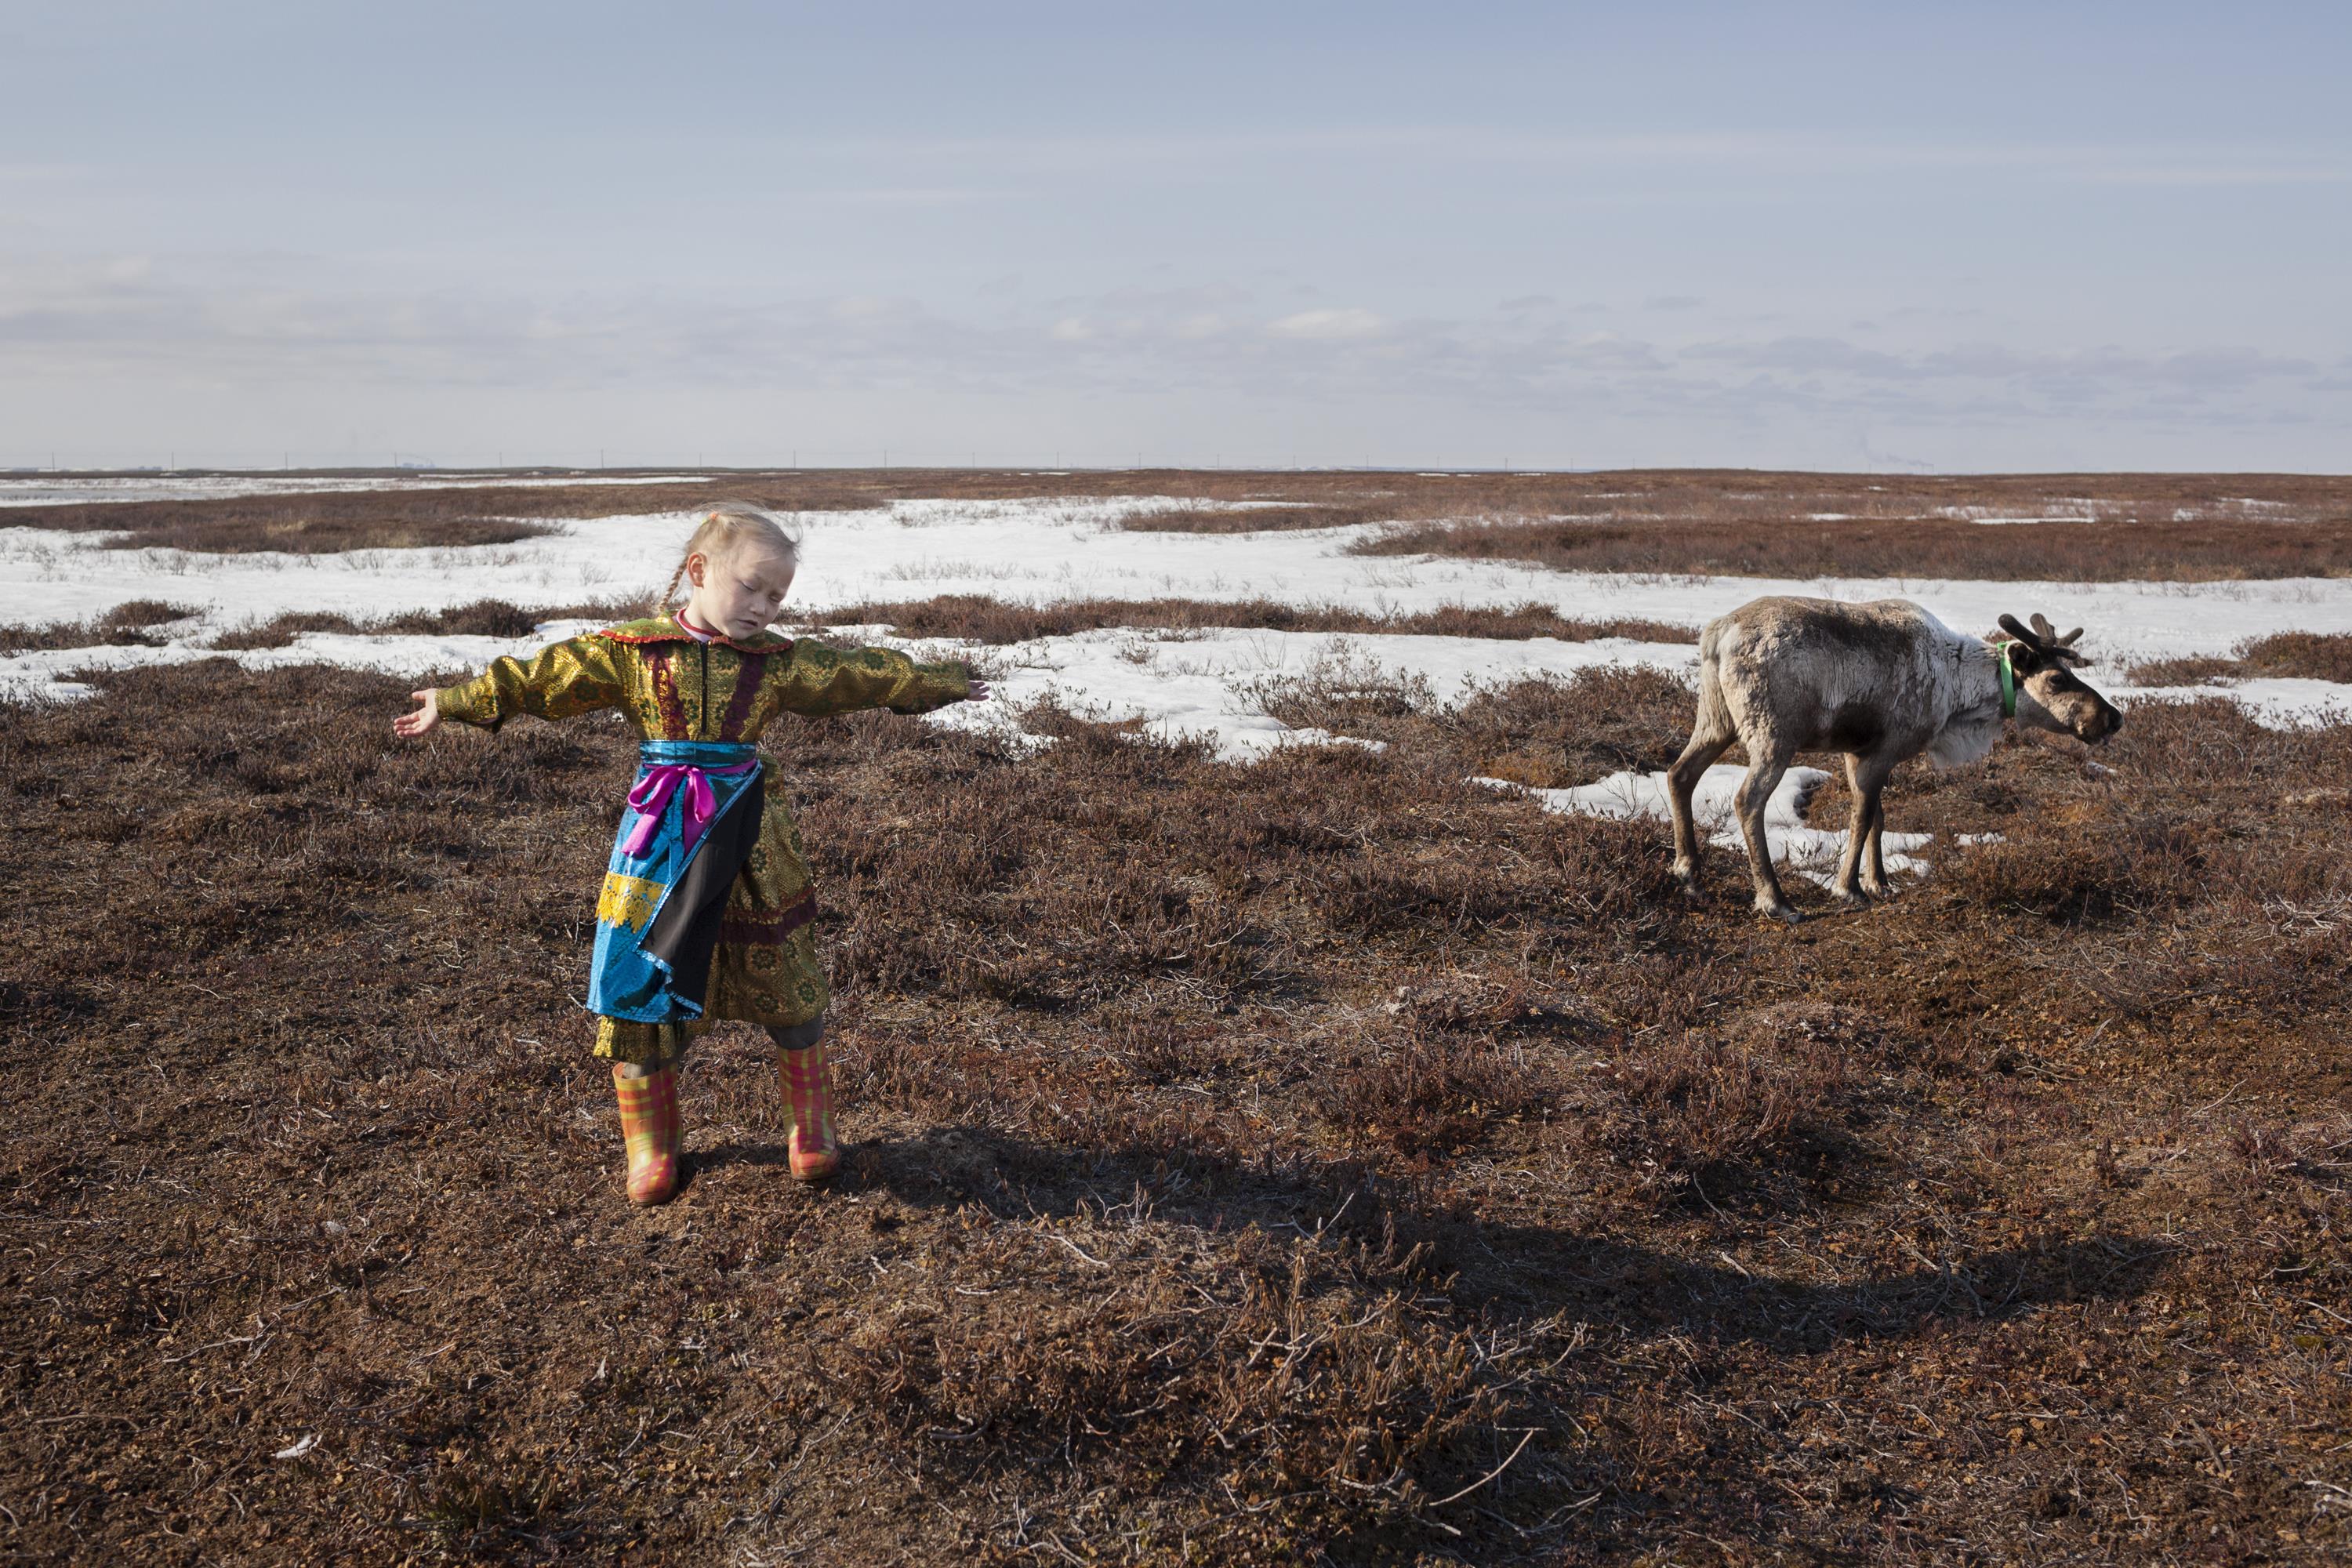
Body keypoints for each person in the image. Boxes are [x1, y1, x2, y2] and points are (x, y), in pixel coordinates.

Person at [393, 503, 987, 1204]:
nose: (764, 608)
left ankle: (813, 1130)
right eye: (752, 588)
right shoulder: (634, 650)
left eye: (778, 596)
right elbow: (547, 675)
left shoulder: (777, 662)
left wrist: (938, 682)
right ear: (699, 572)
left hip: (753, 842)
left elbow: (851, 673)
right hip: (659, 844)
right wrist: (459, 699)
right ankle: (651, 1145)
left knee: (788, 979)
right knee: (636, 988)